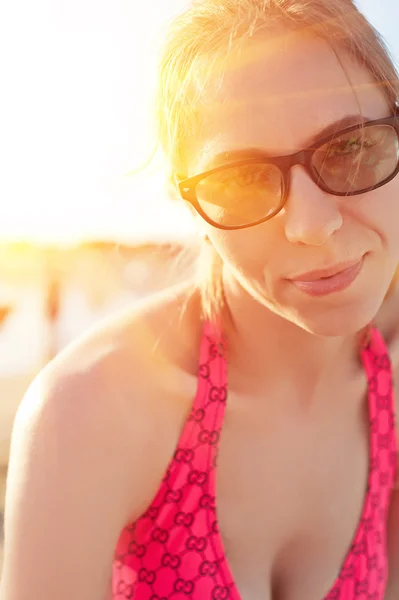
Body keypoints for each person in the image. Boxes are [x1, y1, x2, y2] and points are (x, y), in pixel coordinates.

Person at [1, 0, 399, 598]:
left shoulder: (390, 387)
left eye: (351, 148)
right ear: (188, 203)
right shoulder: (90, 412)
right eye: (241, 179)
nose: (310, 226)